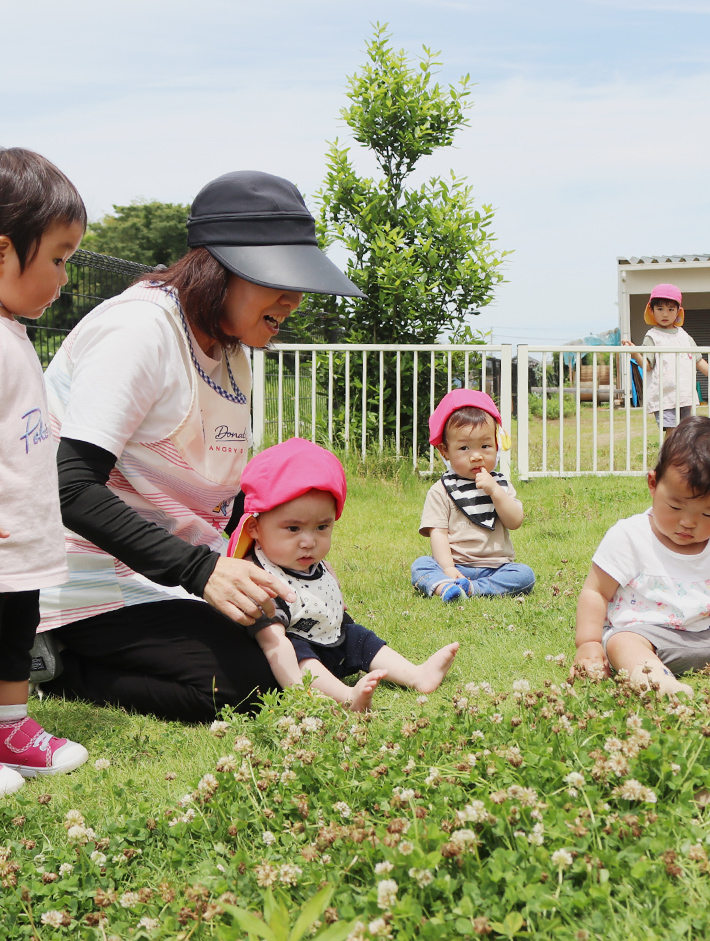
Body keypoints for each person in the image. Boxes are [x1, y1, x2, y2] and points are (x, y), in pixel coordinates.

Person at [38, 171, 364, 723]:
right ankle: (58, 663)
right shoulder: (140, 332)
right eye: (278, 280)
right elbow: (67, 484)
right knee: (251, 680)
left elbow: (218, 494)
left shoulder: (231, 350)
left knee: (311, 639)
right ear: (218, 269)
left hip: (172, 571)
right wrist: (201, 572)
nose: (294, 299)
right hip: (86, 576)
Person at [228, 437, 460, 711]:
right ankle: (346, 697)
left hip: (331, 638)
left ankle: (416, 675)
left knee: (360, 638)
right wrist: (296, 692)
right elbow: (273, 644)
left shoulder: (306, 561)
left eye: (322, 527)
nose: (308, 541)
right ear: (254, 528)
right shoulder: (261, 578)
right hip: (295, 656)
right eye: (293, 529)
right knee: (299, 654)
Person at [0, 147, 89, 794]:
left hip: (22, 533)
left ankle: (10, 724)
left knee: (14, 628)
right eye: (57, 259)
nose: (63, 279)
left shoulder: (15, 334)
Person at [572, 415, 710, 698]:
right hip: (647, 636)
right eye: (675, 506)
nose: (688, 523)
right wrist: (588, 642)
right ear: (652, 483)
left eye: (707, 513)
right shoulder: (630, 536)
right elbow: (596, 592)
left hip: (704, 634)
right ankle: (659, 684)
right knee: (622, 643)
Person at [411, 389, 535, 603]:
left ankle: (472, 589)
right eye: (464, 447)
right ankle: (445, 585)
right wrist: (449, 568)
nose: (476, 455)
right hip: (455, 565)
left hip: (496, 567)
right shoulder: (442, 490)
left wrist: (495, 491)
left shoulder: (500, 484)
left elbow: (514, 522)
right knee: (421, 565)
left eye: (485, 446)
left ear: (497, 444)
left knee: (524, 575)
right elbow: (438, 534)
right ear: (445, 451)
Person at [622, 283, 709, 436]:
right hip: (665, 395)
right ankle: (668, 459)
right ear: (652, 310)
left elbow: (698, 360)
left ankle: (681, 459)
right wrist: (635, 353)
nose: (665, 314)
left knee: (686, 432)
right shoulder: (652, 337)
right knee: (672, 431)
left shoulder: (684, 336)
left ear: (678, 312)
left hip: (685, 394)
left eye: (670, 309)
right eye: (660, 309)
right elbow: (647, 366)